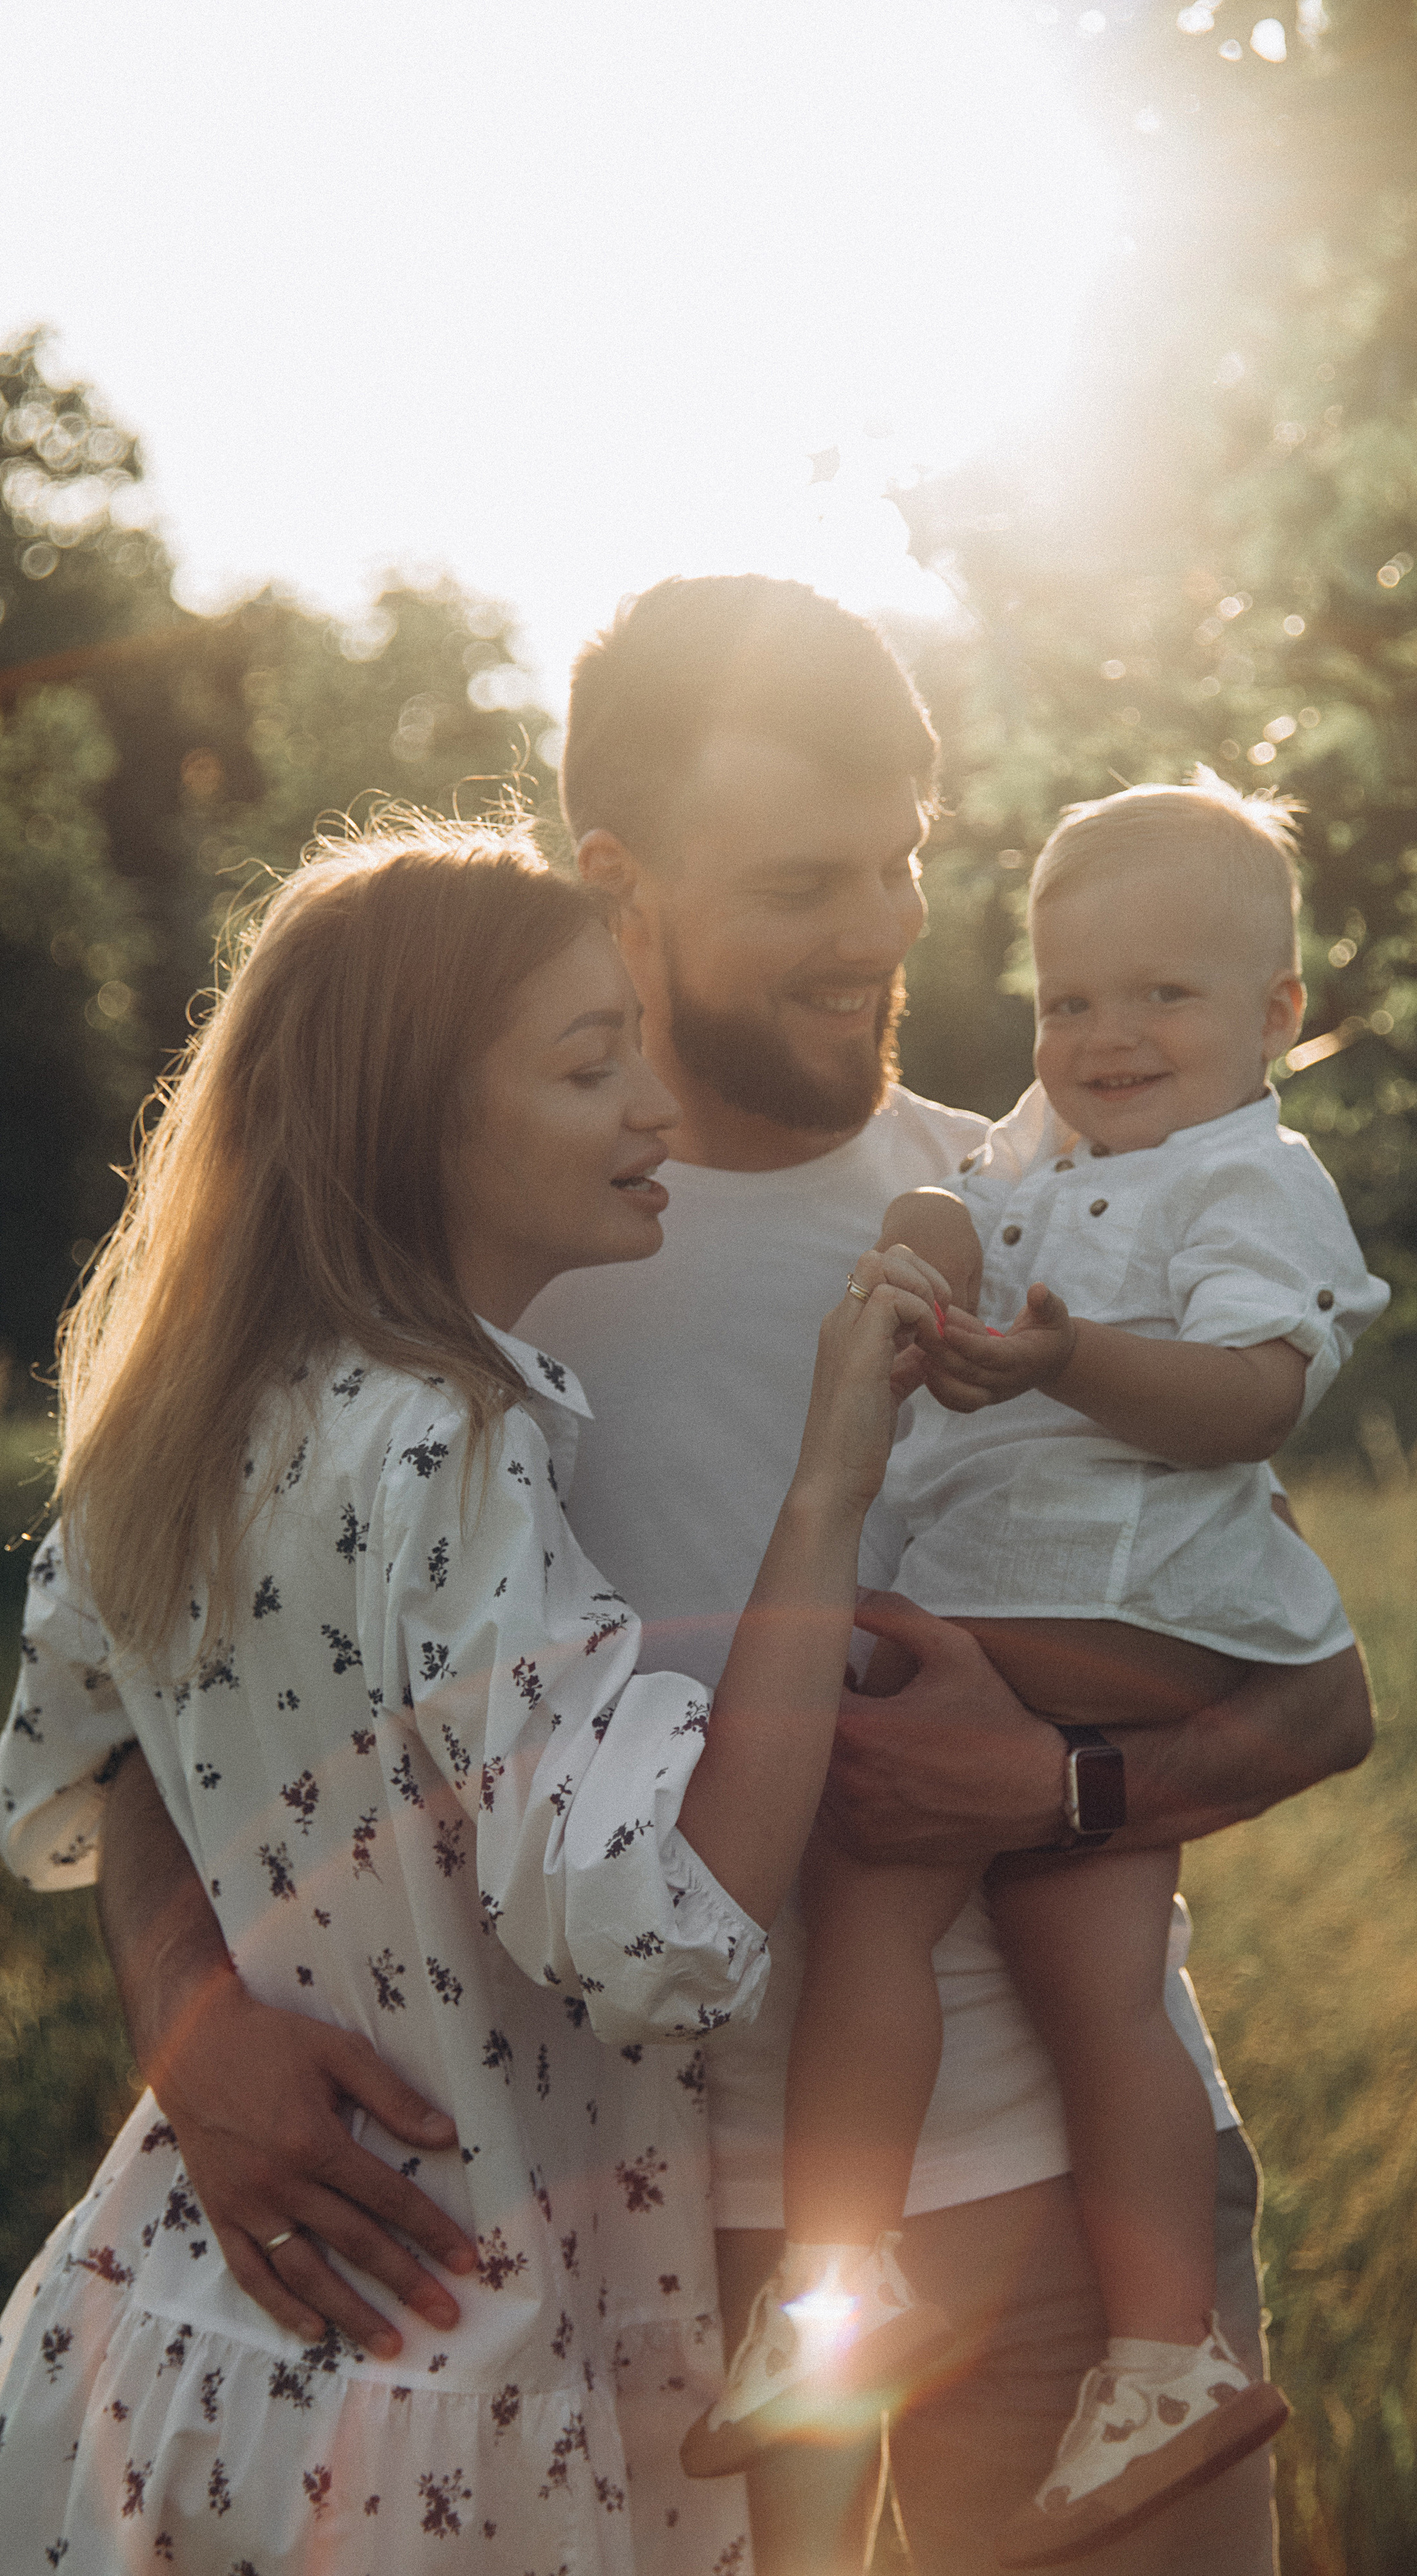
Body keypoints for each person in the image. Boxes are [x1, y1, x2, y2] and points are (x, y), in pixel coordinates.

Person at [87, 578, 1376, 2576]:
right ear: (622, 879)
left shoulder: (1026, 1206)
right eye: (804, 882)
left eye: (904, 864)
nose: (879, 932)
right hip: (645, 2257)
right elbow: (142, 1685)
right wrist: (190, 2019)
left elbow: (1311, 1687)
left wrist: (1052, 1793)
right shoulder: (493, 1252)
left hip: (1066, 2219)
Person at [0, 815, 939, 2573]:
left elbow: (69, 1751)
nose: (655, 1113)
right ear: (414, 1117)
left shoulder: (171, 1432)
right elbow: (662, 1925)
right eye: (593, 1067)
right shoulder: (452, 1444)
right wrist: (827, 1482)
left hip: (160, 2341)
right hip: (436, 2388)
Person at [691, 778, 1388, 2564]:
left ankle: (842, 2284)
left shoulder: (1251, 1174)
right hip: (1072, 1596)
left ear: (1278, 1015)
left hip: (1140, 1595)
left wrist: (1069, 1358)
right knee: (1095, 1966)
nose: (1105, 1035)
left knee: (868, 1870)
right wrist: (914, 1261)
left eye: (1163, 995)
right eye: (1073, 997)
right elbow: (958, 1209)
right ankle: (1165, 2356)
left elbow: (1259, 1391)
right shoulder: (1047, 1148)